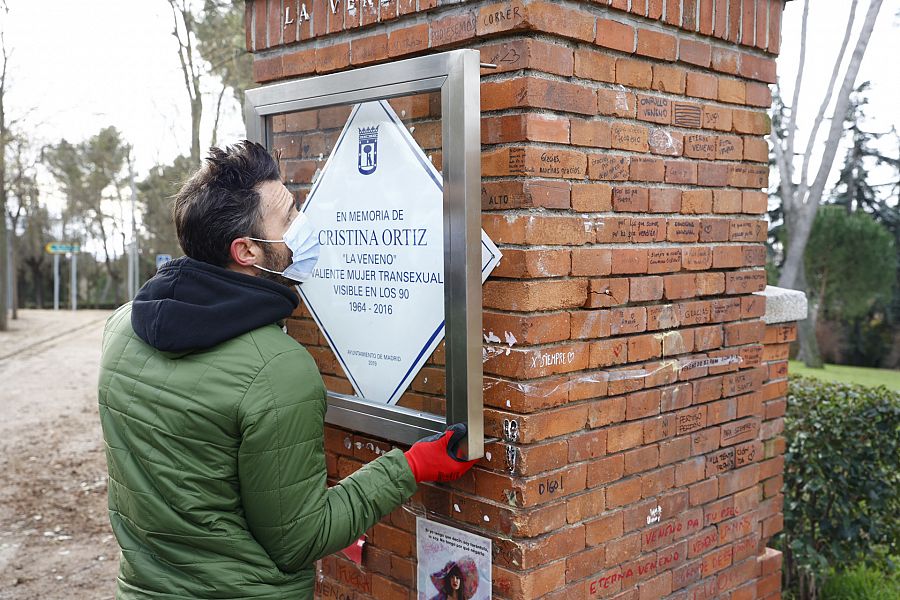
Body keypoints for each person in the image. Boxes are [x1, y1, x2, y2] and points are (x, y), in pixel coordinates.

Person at [97, 141, 476, 599]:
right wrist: (412, 466)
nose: (304, 226)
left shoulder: (121, 328)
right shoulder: (277, 369)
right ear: (246, 251)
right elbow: (301, 538)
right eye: (290, 218)